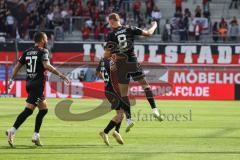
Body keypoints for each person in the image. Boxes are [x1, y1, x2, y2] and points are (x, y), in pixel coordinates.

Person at [6, 32, 69, 147]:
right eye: (46, 39)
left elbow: (17, 66)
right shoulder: (43, 51)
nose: (47, 41)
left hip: (29, 84)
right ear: (42, 40)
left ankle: (36, 135)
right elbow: (46, 65)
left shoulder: (27, 51)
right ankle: (12, 130)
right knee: (29, 110)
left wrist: (11, 79)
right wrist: (61, 75)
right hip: (37, 85)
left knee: (44, 109)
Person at [105, 13, 163, 131]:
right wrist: (154, 25)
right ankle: (155, 110)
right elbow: (148, 33)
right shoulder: (129, 28)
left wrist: (113, 54)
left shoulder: (111, 35)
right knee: (145, 85)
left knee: (124, 94)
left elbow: (107, 55)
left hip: (121, 66)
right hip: (132, 62)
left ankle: (129, 120)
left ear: (111, 22)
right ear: (119, 20)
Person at [96, 49, 125, 146]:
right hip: (114, 91)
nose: (104, 52)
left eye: (105, 51)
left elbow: (97, 74)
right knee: (121, 114)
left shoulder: (102, 61)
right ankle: (106, 132)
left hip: (108, 90)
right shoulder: (112, 62)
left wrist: (106, 79)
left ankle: (116, 131)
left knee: (121, 113)